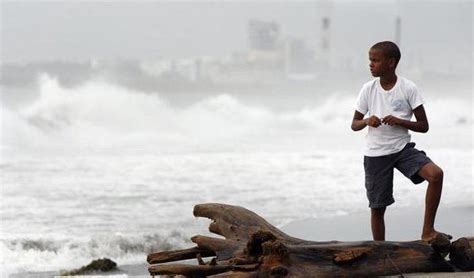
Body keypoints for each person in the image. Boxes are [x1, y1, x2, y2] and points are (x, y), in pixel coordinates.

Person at [351, 41, 450, 242]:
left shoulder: (408, 88)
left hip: (402, 149)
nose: (370, 64)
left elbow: (424, 125)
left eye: (375, 60)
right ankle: (381, 251)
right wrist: (366, 120)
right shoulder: (368, 89)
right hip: (376, 154)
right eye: (370, 60)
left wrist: (400, 121)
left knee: (436, 175)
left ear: (391, 62)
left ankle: (428, 231)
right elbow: (354, 124)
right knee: (378, 208)